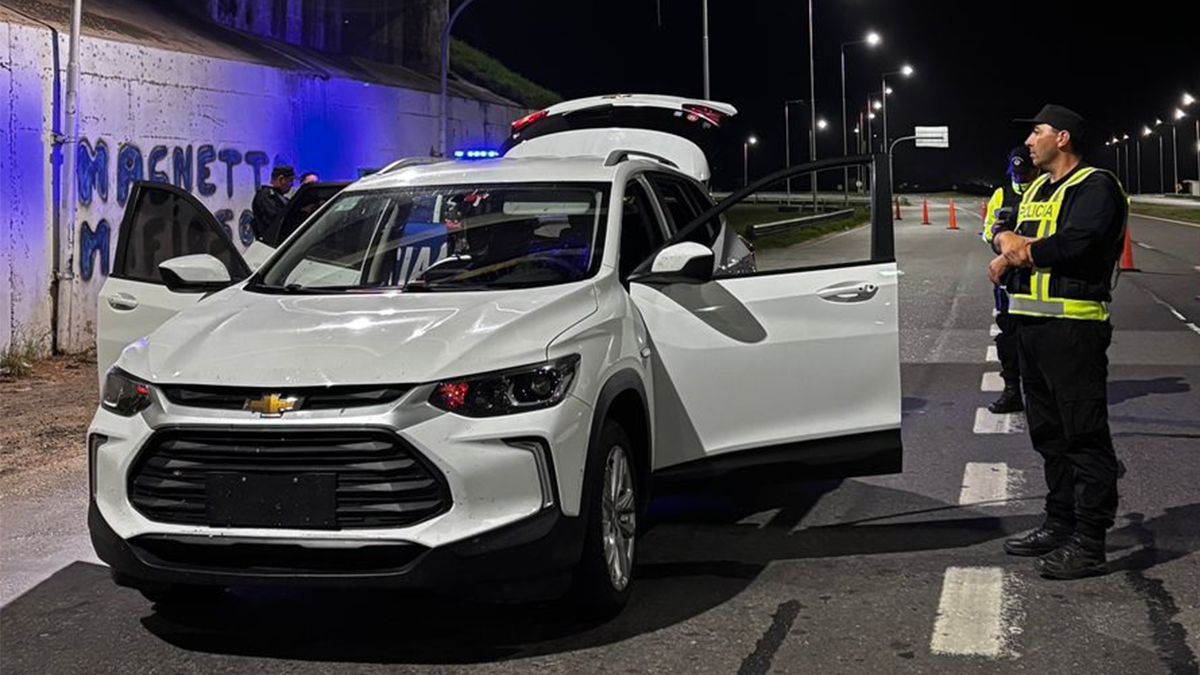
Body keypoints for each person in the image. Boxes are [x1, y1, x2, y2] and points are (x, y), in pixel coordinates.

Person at [988, 104, 1127, 580]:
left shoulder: (1095, 186)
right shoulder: (1037, 189)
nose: (1029, 141)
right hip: (1029, 325)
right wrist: (1007, 239)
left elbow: (1077, 242)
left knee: (1083, 436)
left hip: (1074, 327)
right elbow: (1005, 234)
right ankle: (1059, 522)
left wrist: (1019, 251)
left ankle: (1090, 542)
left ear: (1062, 138)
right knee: (1048, 436)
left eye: (1037, 131)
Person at [981, 146, 1040, 414]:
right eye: (1015, 174)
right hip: (1009, 280)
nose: (1019, 179)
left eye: (1024, 173)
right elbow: (987, 233)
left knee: (1041, 336)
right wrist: (999, 238)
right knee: (1009, 336)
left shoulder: (1047, 191)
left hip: (1041, 277)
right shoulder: (1001, 194)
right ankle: (1012, 391)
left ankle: (1041, 392)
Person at [251, 165, 296, 240]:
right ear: (281, 179)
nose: (292, 184)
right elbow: (276, 220)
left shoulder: (280, 197)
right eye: (290, 180)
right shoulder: (265, 196)